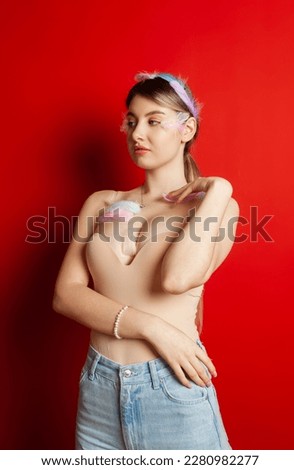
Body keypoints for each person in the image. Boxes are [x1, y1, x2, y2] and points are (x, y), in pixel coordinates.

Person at [53, 71, 239, 450]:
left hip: (171, 386)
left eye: (154, 121)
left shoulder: (218, 207)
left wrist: (219, 189)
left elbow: (176, 278)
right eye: (132, 121)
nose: (137, 133)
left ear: (186, 129)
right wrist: (152, 327)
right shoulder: (100, 202)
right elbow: (66, 295)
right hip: (98, 387)